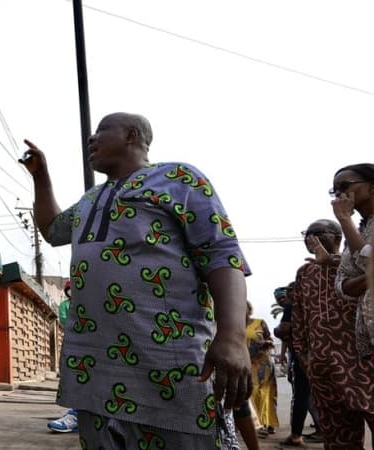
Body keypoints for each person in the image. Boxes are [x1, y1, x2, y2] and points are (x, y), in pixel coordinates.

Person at [20, 112, 252, 449]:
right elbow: (54, 229)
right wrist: (41, 178)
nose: (91, 139)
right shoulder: (89, 199)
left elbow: (222, 254)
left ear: (131, 135)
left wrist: (232, 335)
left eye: (101, 130)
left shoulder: (178, 179)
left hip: (167, 364)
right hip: (93, 369)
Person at [332, 163, 374, 359]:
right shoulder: (357, 231)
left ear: (371, 186)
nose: (339, 194)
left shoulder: (349, 228)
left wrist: (344, 220)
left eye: (344, 186)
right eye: (335, 190)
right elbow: (341, 285)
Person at [273, 284, 321, 446]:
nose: (282, 300)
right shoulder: (315, 304)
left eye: (284, 295)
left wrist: (276, 330)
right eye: (278, 298)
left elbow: (284, 330)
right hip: (321, 354)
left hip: (303, 357)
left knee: (302, 395)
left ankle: (296, 436)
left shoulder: (291, 305)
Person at [48, 280, 79, 433]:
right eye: (69, 290)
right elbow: (64, 319)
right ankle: (78, 412)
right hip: (73, 339)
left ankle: (80, 413)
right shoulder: (65, 305)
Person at [245, 301, 279, 437]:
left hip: (263, 362)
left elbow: (269, 338)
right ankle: (258, 424)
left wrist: (267, 343)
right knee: (251, 393)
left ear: (249, 309)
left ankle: (267, 424)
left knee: (265, 393)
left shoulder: (260, 322)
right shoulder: (234, 325)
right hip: (247, 363)